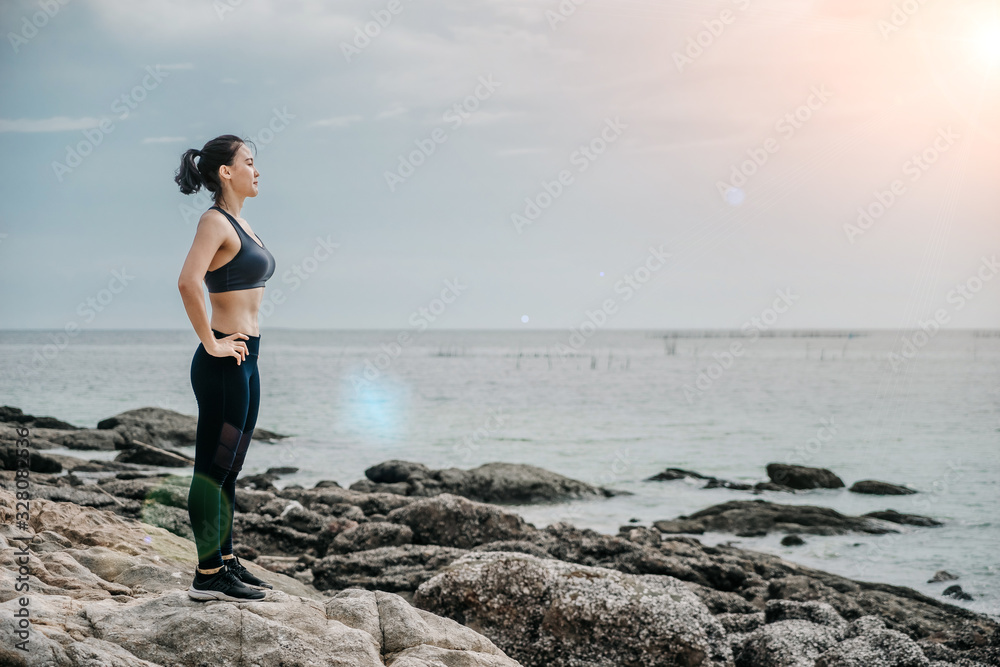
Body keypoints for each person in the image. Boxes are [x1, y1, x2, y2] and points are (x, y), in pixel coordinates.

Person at [175, 134, 277, 602]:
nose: (257, 171)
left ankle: (226, 562)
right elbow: (187, 281)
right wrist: (210, 342)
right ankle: (207, 575)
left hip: (247, 360)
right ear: (226, 172)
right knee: (211, 471)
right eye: (250, 162)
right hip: (223, 362)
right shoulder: (213, 221)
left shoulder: (243, 223)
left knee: (229, 469)